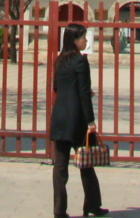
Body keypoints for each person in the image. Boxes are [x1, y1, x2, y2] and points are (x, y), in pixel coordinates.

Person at [49, 23, 106, 218]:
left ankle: (59, 211)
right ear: (74, 40)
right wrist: (90, 121)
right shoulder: (81, 62)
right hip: (76, 120)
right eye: (83, 37)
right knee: (86, 163)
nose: (86, 40)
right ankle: (92, 205)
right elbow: (83, 93)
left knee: (60, 167)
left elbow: (57, 87)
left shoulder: (59, 61)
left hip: (59, 117)